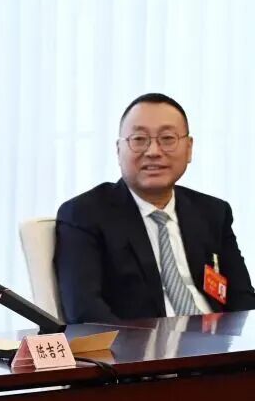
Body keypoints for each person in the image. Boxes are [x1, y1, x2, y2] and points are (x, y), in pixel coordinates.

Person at [55, 93, 255, 323]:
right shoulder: (84, 215)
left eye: (167, 138)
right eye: (139, 139)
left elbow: (243, 299)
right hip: (142, 344)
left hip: (221, 341)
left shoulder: (212, 212)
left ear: (189, 148)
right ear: (119, 150)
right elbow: (85, 311)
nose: (153, 151)